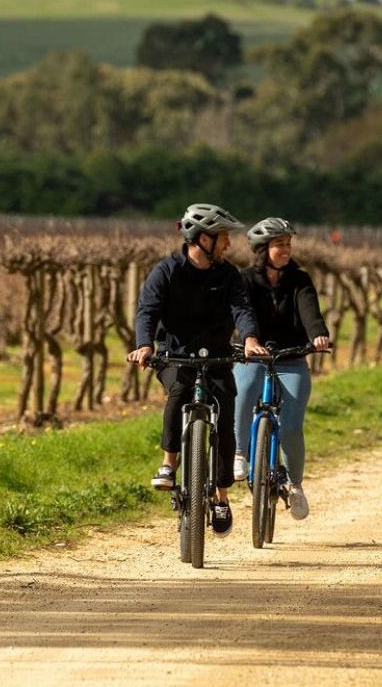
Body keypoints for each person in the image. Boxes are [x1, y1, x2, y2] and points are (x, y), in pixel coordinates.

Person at [128, 202, 258, 538]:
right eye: (223, 237)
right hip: (177, 356)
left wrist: (250, 339)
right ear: (202, 239)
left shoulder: (228, 275)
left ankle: (221, 496)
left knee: (225, 413)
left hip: (216, 357)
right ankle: (169, 464)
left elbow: (241, 309)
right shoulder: (166, 272)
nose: (228, 244)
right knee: (179, 391)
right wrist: (145, 345)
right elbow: (147, 311)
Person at [233, 216, 333, 520]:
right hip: (254, 356)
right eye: (279, 245)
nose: (286, 250)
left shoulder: (300, 279)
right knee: (245, 390)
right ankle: (240, 453)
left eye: (288, 244)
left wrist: (318, 333)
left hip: (292, 358)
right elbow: (241, 313)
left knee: (291, 425)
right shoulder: (245, 279)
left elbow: (309, 309)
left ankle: (295, 484)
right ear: (263, 249)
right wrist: (248, 340)